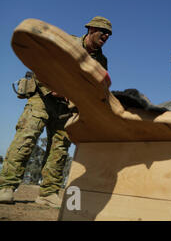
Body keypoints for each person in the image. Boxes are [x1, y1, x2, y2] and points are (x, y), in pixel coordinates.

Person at [0, 16, 112, 207]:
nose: (106, 36)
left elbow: (96, 86)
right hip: (43, 97)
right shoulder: (67, 43)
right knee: (27, 136)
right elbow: (41, 62)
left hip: (66, 107)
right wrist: (52, 87)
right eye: (103, 31)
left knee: (60, 149)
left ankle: (48, 194)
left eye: (109, 34)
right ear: (91, 29)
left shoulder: (101, 61)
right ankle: (6, 187)